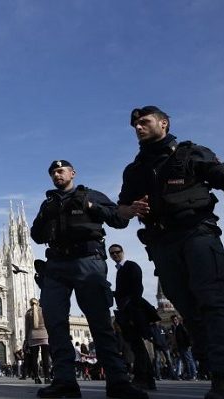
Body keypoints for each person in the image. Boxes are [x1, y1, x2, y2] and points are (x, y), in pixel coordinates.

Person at [117, 105, 224, 399]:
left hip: (197, 233)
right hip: (162, 243)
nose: (139, 128)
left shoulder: (190, 152)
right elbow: (121, 210)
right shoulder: (136, 169)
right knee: (189, 309)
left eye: (145, 122)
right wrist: (129, 210)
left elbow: (221, 175)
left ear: (164, 123)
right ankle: (215, 371)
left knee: (212, 301)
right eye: (135, 125)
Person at [31, 161, 146, 399]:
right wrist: (45, 219)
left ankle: (118, 381)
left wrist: (92, 206)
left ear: (72, 173)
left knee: (100, 322)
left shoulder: (90, 195)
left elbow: (119, 219)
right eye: (53, 172)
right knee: (55, 323)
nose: (56, 175)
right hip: (56, 265)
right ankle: (64, 381)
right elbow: (35, 235)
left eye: (61, 171)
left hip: (87, 260)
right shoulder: (49, 203)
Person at [109, 244, 159, 390]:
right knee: (137, 345)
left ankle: (142, 377)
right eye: (112, 253)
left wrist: (132, 310)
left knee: (137, 346)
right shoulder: (120, 270)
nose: (115, 255)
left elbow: (137, 288)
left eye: (117, 252)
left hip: (133, 311)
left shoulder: (131, 266)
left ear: (123, 252)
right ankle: (148, 379)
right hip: (128, 310)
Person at [25, 298, 50, 384]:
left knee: (34, 359)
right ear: (38, 303)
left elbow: (27, 328)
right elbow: (48, 323)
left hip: (32, 337)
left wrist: (26, 339)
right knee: (45, 358)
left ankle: (36, 378)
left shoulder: (28, 313)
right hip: (44, 336)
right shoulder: (44, 311)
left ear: (30, 303)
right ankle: (47, 377)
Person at [170, 315, 197, 380]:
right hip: (180, 346)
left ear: (178, 320)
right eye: (173, 320)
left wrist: (189, 345)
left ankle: (193, 375)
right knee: (185, 361)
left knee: (189, 360)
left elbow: (187, 335)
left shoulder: (181, 326)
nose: (175, 321)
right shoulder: (175, 327)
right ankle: (189, 374)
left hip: (185, 346)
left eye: (176, 319)